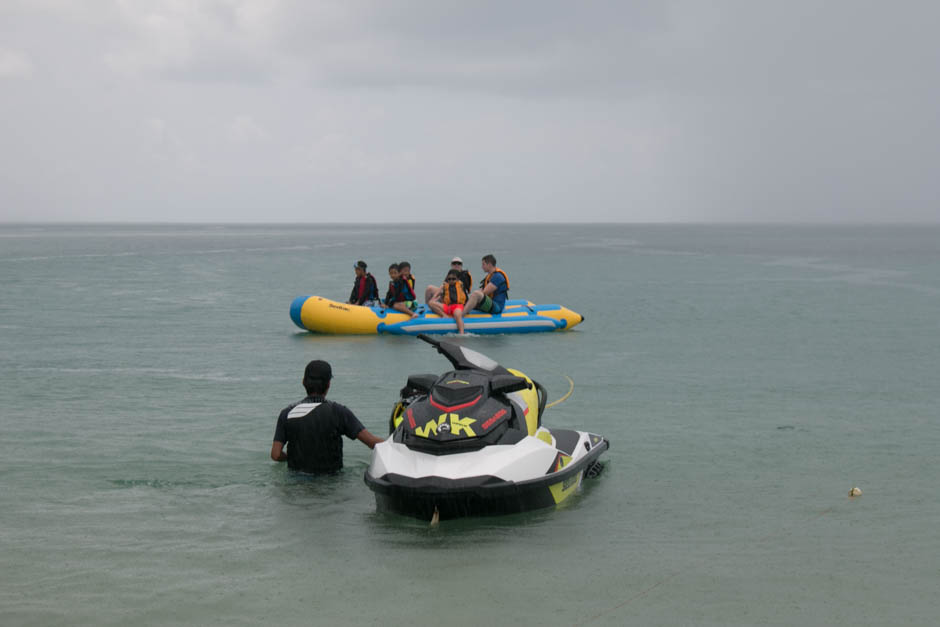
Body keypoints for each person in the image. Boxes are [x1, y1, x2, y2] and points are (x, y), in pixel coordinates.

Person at [271, 359, 384, 473]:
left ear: (303, 382)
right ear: (328, 384)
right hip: (330, 482)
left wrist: (290, 458)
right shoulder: (338, 412)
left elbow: (275, 455)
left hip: (296, 483)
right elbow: (372, 442)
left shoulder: (287, 413)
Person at [428, 269, 467, 334]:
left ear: (457, 279)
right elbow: (438, 295)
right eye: (449, 279)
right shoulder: (445, 286)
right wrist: (434, 299)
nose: (451, 280)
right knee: (430, 303)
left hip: (457, 306)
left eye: (453, 279)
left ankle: (461, 332)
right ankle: (444, 315)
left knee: (457, 315)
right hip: (448, 307)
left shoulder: (460, 284)